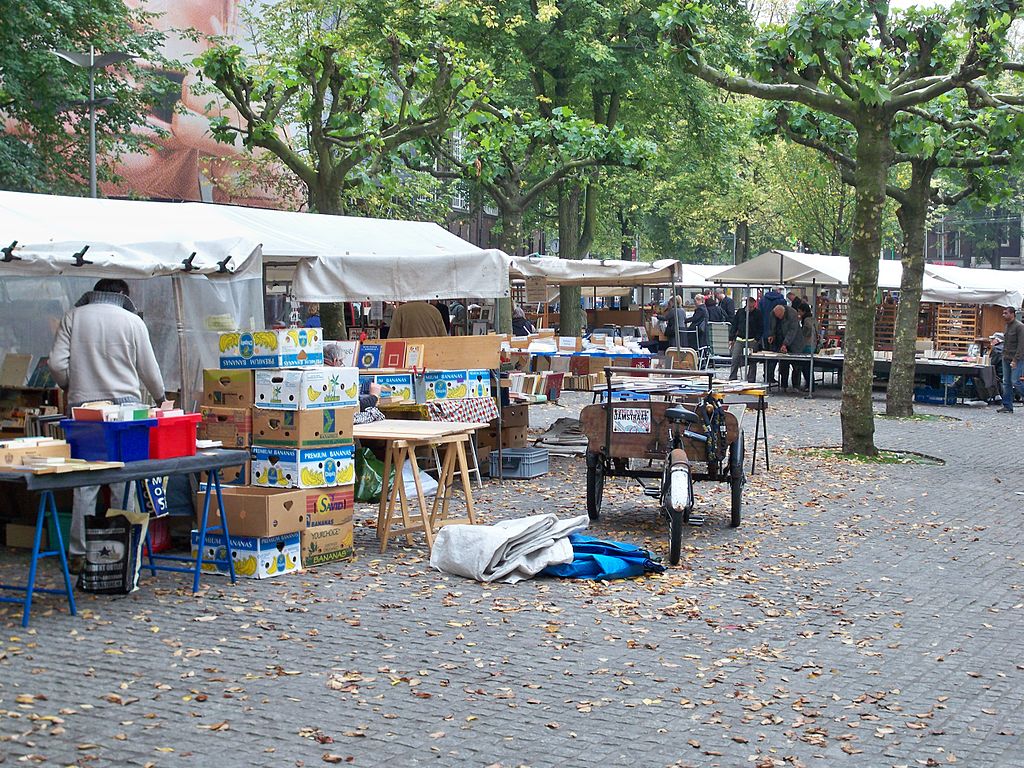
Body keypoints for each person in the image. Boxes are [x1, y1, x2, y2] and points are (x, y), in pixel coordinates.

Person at [49, 279, 166, 571]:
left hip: (83, 407)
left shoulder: (73, 317)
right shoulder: (132, 321)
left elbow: (55, 363)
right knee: (122, 480)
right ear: (123, 295)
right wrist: (161, 397)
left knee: (84, 481)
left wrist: (69, 384)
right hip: (125, 409)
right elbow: (148, 369)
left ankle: (79, 552)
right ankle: (124, 550)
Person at [728, 297, 763, 382]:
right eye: (750, 307)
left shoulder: (757, 313)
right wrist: (731, 338)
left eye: (753, 307)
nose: (751, 309)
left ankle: (751, 379)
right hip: (740, 338)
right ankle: (732, 377)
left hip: (752, 339)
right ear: (746, 305)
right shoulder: (740, 312)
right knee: (735, 358)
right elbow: (734, 325)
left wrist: (756, 339)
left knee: (752, 360)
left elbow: (760, 327)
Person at [997, 306, 1024, 413]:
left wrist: (1016, 360)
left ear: (1012, 314)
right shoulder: (1007, 325)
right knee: (1006, 382)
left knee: (1015, 381)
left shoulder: (1020, 327)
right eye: (1003, 313)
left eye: (1006, 313)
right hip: (1006, 357)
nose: (1004, 315)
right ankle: (1007, 406)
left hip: (1016, 358)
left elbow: (1021, 345)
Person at [770, 303, 802, 392]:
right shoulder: (773, 314)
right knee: (783, 364)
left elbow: (792, 331)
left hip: (795, 342)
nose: (779, 318)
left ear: (783, 312)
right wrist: (772, 335)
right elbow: (773, 326)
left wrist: (785, 344)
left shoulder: (792, 314)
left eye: (780, 316)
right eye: (777, 316)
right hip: (781, 339)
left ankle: (796, 385)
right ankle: (784, 385)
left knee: (796, 365)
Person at [759, 287, 788, 383]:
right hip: (777, 333)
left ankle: (767, 375)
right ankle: (778, 377)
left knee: (767, 355)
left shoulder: (762, 300)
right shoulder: (781, 301)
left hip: (764, 332)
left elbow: (760, 314)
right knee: (778, 356)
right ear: (778, 290)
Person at [791, 304, 818, 391]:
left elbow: (808, 330)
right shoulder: (813, 318)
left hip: (807, 344)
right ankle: (810, 384)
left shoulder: (806, 320)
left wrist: (802, 335)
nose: (799, 313)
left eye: (799, 311)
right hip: (813, 344)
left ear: (803, 311)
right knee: (809, 366)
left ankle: (810, 385)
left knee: (806, 366)